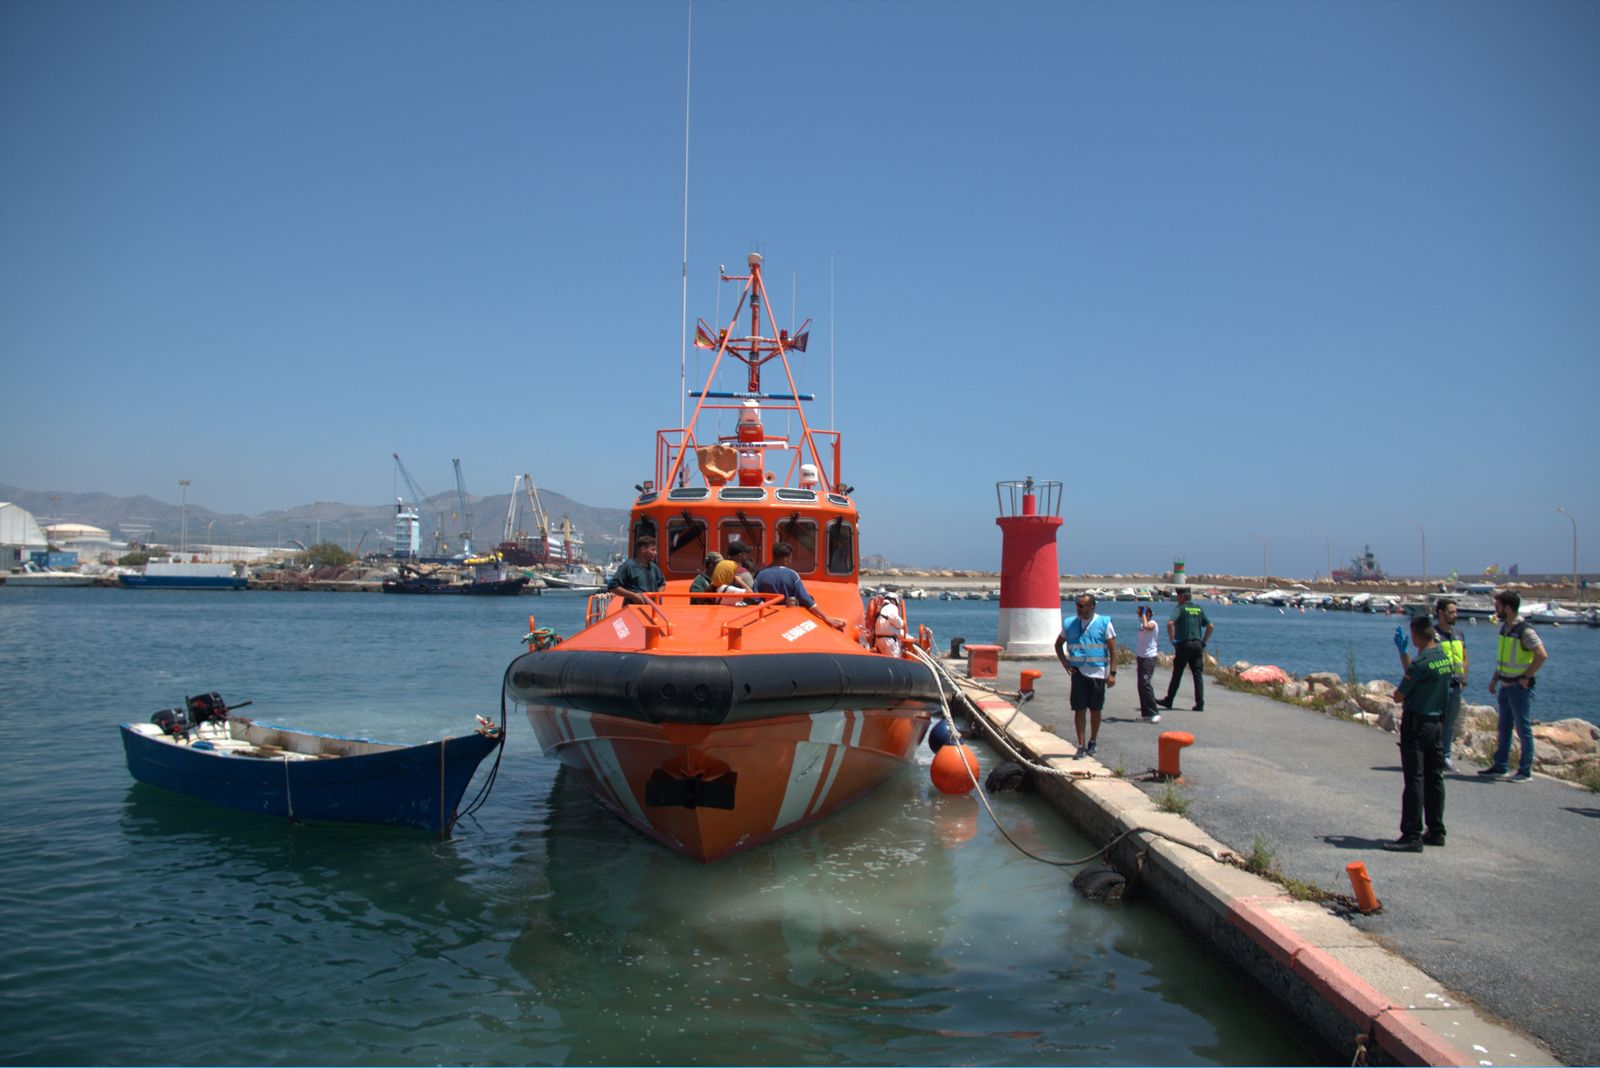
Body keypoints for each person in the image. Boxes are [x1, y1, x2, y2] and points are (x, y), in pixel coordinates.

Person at [1386, 615, 1452, 851]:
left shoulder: (1420, 664)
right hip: (1437, 724)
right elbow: (1418, 676)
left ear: (1415, 635)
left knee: (1414, 779)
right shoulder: (1444, 659)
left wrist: (1404, 657)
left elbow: (1400, 694)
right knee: (1435, 778)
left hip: (1416, 724)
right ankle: (1436, 830)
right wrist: (1404, 656)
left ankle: (1412, 834)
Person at [1480, 590, 1548, 783]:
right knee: (1504, 727)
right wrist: (1494, 679)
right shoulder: (1505, 628)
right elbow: (1503, 659)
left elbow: (1541, 654)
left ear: (1508, 608)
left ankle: (1525, 770)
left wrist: (1527, 676)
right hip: (1505, 685)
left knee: (1522, 728)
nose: (1495, 610)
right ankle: (1500, 766)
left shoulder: (1524, 630)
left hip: (1519, 688)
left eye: (1498, 607)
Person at [1399, 598, 1468, 771]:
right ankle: (1435, 757)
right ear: (1441, 613)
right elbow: (1421, 662)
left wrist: (1463, 679)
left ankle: (1445, 757)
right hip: (1439, 686)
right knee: (1437, 722)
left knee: (1450, 723)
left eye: (1455, 611)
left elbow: (1465, 658)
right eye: (1451, 612)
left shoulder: (1458, 634)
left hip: (1456, 685)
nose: (1455, 615)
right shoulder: (1433, 636)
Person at [1054, 593, 1117, 758]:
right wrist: (1065, 663)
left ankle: (1093, 741)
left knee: (1095, 709)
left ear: (1092, 607)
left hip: (1097, 673)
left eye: (1081, 606)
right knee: (1079, 709)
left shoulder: (1104, 623)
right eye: (1077, 606)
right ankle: (1081, 745)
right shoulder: (1070, 623)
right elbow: (1058, 645)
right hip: (1078, 673)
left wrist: (1112, 673)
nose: (1078, 609)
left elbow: (1112, 650)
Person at [752, 542, 847, 630]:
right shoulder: (792, 575)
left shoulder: (760, 574)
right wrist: (826, 617)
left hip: (766, 619)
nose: (790, 561)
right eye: (790, 559)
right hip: (788, 619)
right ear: (785, 559)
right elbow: (806, 599)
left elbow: (755, 598)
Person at [1158, 588, 1213, 711]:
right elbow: (1210, 626)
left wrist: (1172, 640)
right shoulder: (1198, 609)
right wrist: (1203, 642)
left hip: (1184, 645)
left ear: (1182, 597)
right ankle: (1200, 703)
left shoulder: (1180, 609)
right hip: (1197, 645)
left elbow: (1170, 623)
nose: (1177, 598)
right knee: (1197, 676)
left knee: (1177, 674)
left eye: (1178, 596)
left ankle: (1169, 700)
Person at [606, 534, 664, 605]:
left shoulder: (654, 568)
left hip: (652, 609)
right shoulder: (628, 566)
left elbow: (661, 583)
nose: (656, 553)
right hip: (633, 609)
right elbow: (613, 586)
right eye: (653, 550)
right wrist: (633, 596)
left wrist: (658, 597)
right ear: (643, 550)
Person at [1134, 604, 1161, 722]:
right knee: (1141, 685)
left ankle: (1154, 712)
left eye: (1140, 614)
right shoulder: (1142, 625)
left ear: (1147, 615)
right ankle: (1146, 713)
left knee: (1146, 684)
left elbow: (1147, 626)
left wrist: (1144, 615)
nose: (1139, 617)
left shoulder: (1153, 624)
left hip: (1149, 658)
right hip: (1141, 657)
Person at [872, 590, 907, 657]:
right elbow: (893, 617)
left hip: (879, 640)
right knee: (895, 661)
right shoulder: (891, 607)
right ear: (894, 601)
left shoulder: (882, 610)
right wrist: (901, 623)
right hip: (889, 640)